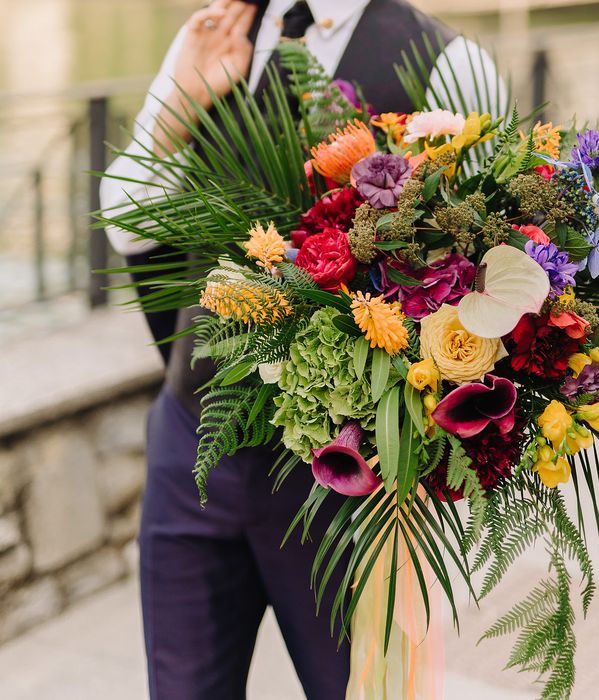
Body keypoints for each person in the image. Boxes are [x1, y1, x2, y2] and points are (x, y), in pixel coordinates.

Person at [101, 2, 505, 698]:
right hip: (191, 443)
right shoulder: (213, 32)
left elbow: (492, 281)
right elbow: (126, 226)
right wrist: (183, 107)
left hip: (348, 487)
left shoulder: (449, 63)